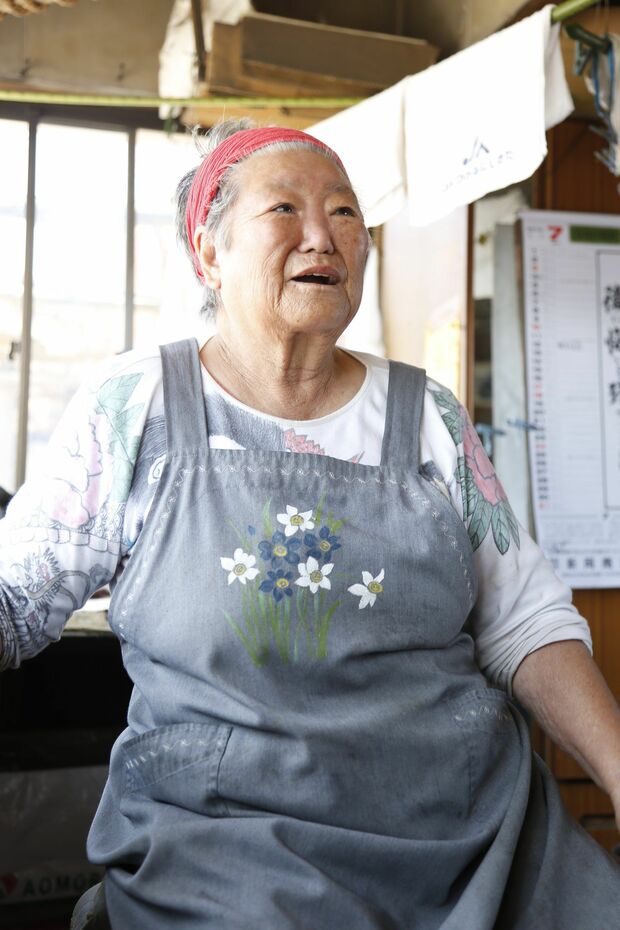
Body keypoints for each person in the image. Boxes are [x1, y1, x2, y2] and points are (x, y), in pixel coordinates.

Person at [1, 118, 620, 929]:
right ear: (209, 254)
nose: (322, 237)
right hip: (230, 852)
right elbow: (16, 602)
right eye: (284, 210)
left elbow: (523, 621)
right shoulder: (139, 407)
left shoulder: (425, 412)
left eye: (345, 214)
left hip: (476, 838)